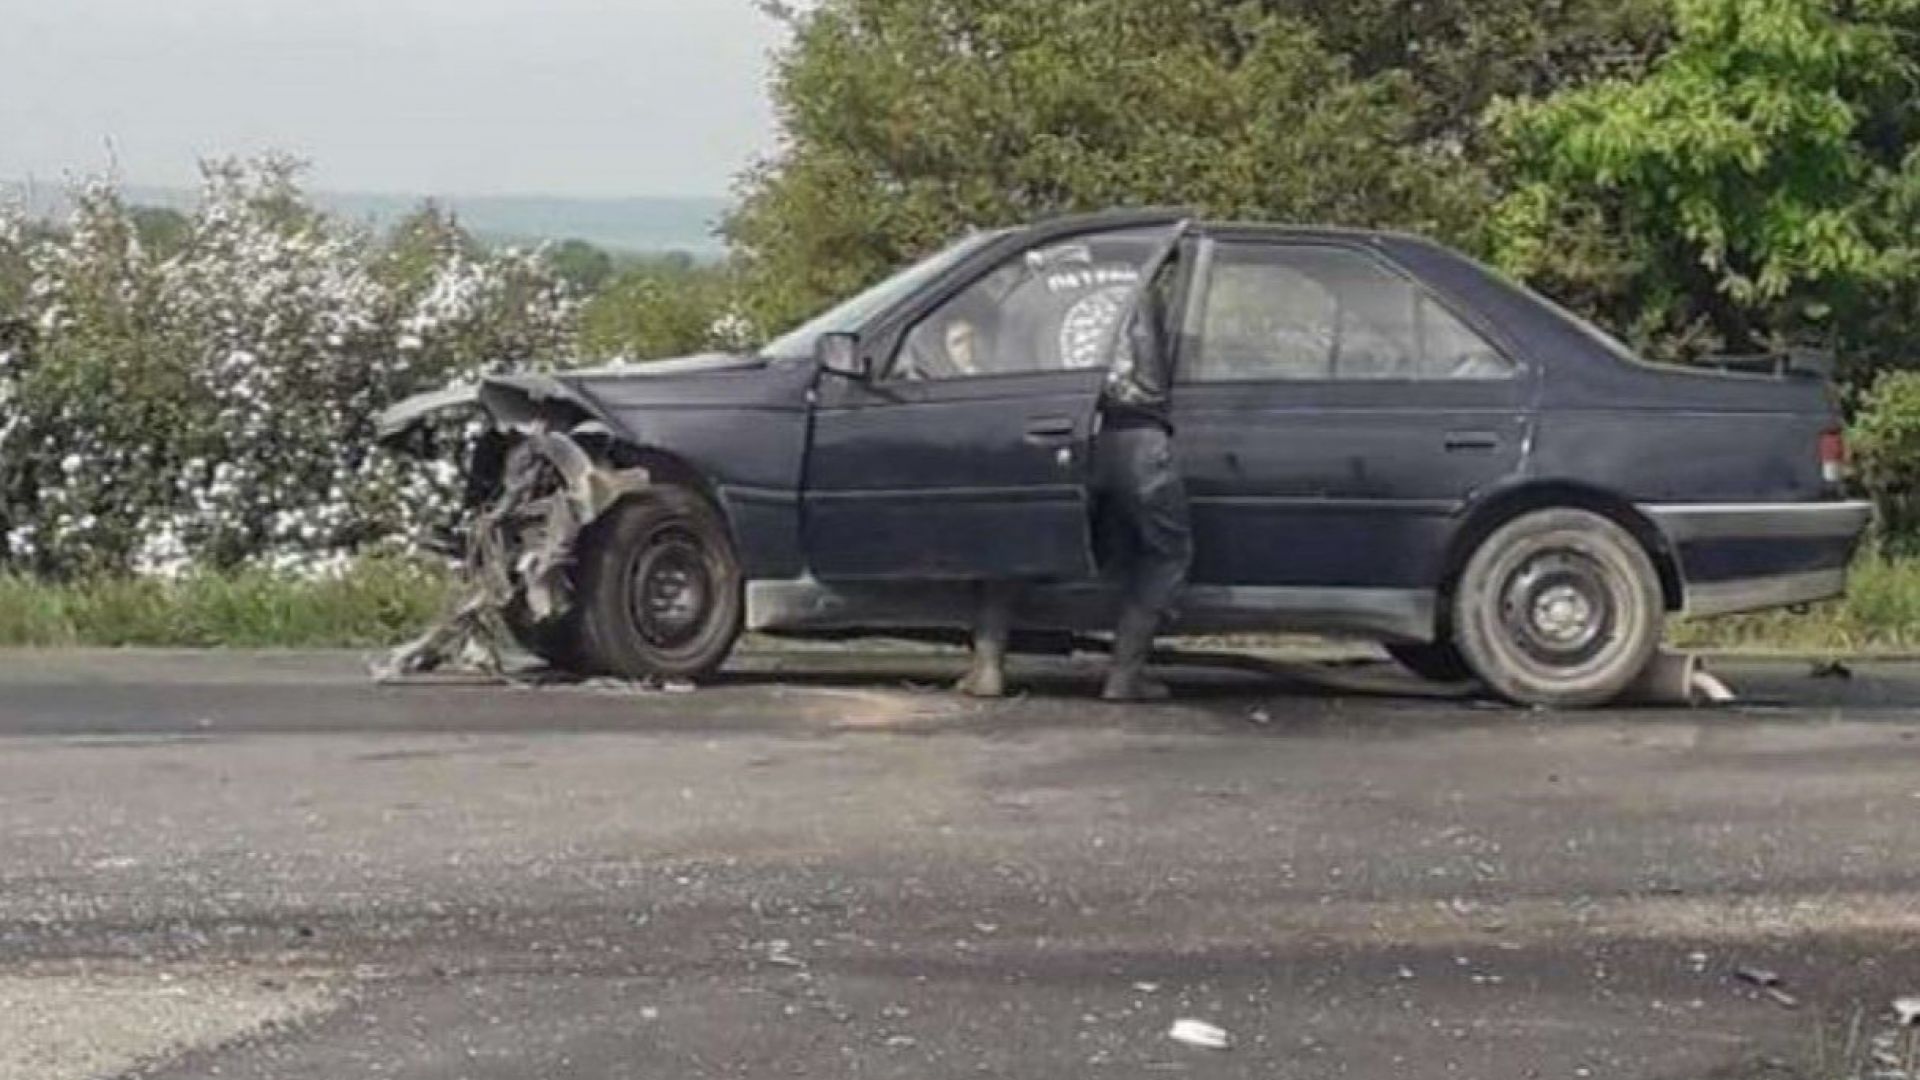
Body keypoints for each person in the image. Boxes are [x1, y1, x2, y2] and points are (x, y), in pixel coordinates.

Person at [954, 224, 1194, 702]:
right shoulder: (1136, 282)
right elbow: (1161, 358)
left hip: (1058, 430)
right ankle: (1124, 677)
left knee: (1009, 542)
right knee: (1164, 552)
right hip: (1137, 435)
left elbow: (1009, 379)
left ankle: (988, 667)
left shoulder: (1025, 295)